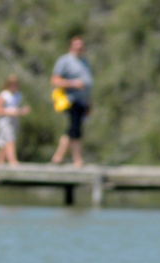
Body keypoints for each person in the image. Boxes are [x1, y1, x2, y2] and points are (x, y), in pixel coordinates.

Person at [50, 37, 92, 166]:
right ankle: (77, 159)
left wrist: (89, 102)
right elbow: (55, 80)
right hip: (70, 100)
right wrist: (73, 83)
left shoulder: (84, 61)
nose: (79, 48)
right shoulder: (65, 61)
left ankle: (58, 157)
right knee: (76, 129)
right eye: (76, 45)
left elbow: (88, 83)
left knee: (73, 129)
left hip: (82, 101)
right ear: (71, 46)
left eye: (81, 46)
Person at [0, 74, 30, 165]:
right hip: (5, 121)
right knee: (10, 139)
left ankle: (0, 163)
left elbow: (17, 108)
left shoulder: (18, 95)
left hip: (15, 121)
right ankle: (13, 161)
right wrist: (11, 112)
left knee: (4, 143)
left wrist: (22, 111)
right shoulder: (3, 95)